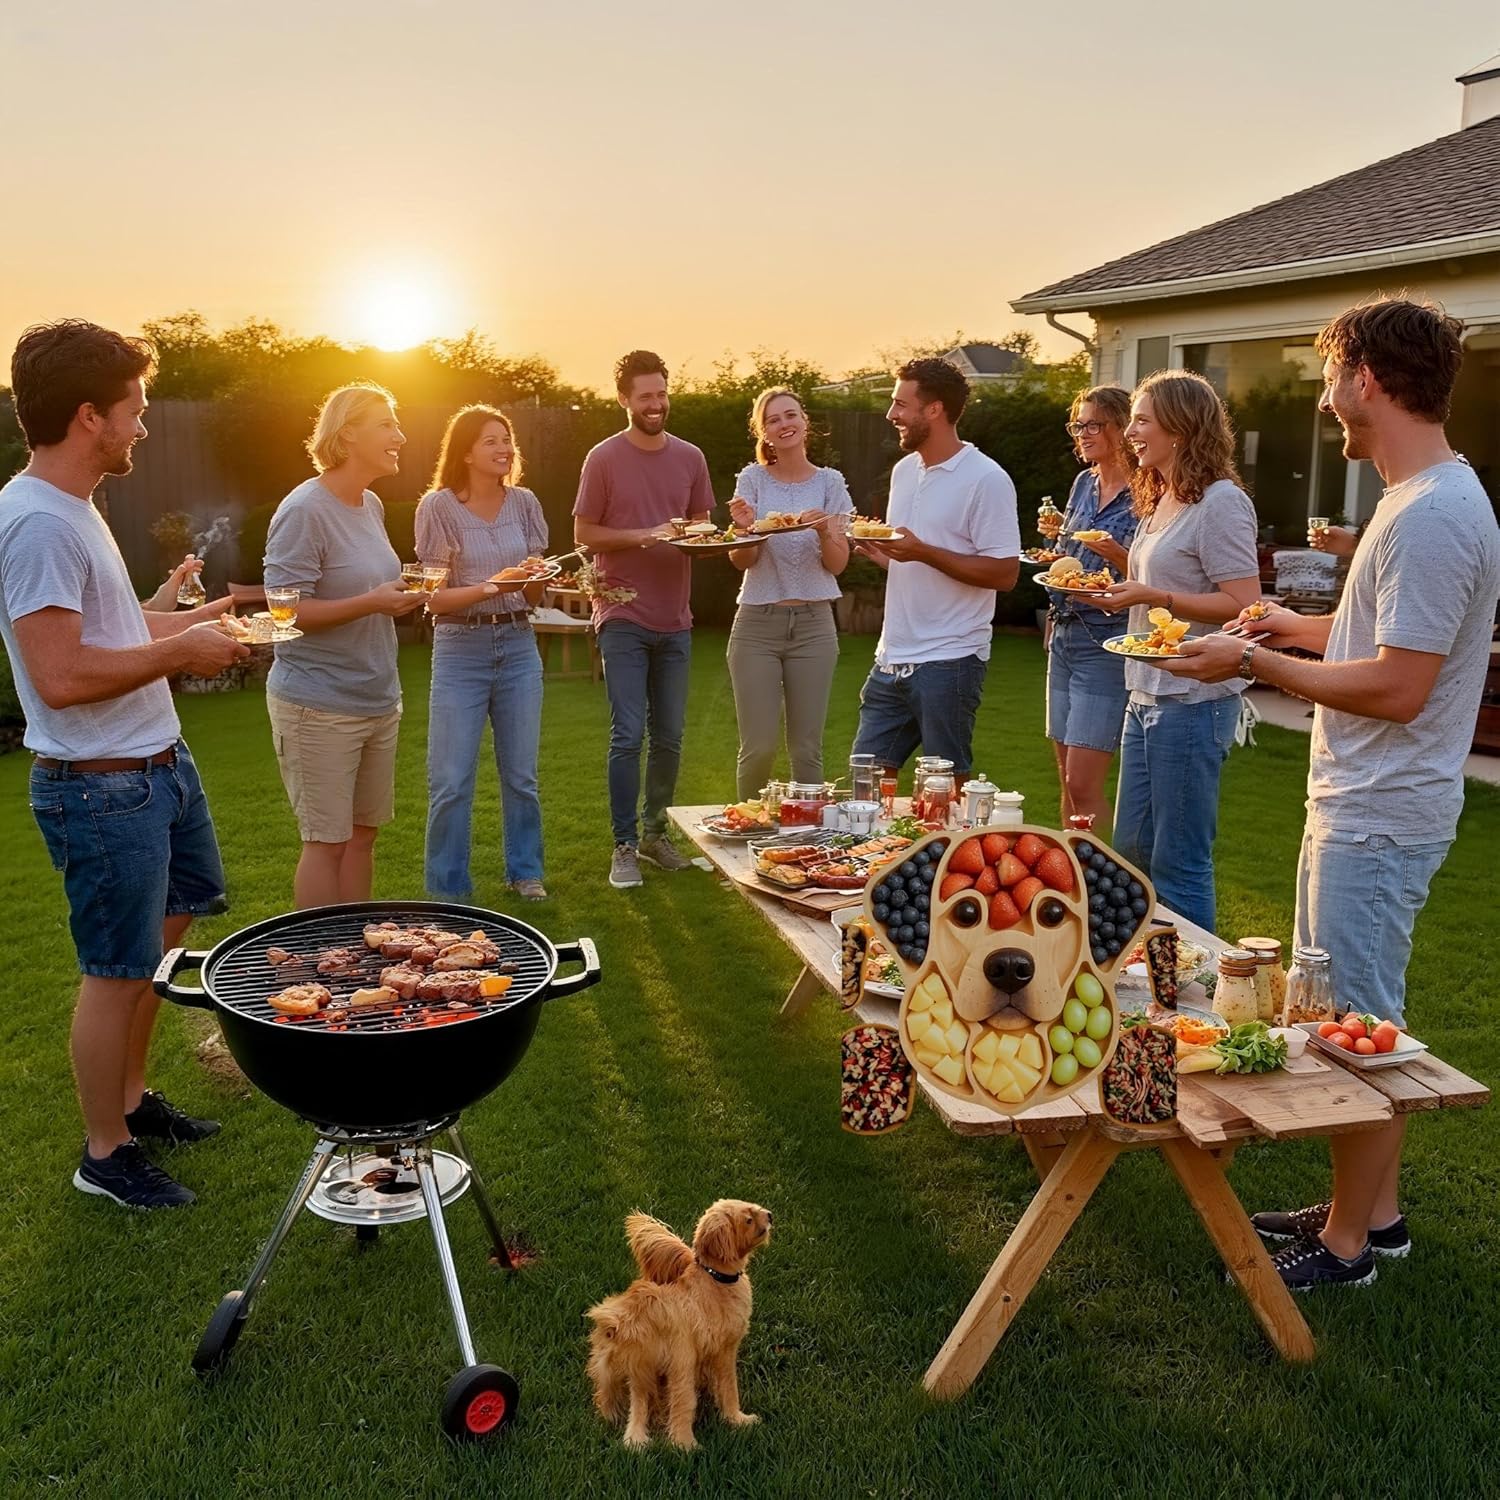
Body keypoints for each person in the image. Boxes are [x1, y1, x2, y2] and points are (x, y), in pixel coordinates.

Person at [1162, 297, 1500, 1290]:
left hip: (1382, 811)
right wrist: (1287, 627)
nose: (1321, 401)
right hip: (1361, 800)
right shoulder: (1416, 498)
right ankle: (1376, 1218)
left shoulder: (1433, 515)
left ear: (1367, 379)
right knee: (1340, 1012)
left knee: (1360, 1026)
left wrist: (1251, 664)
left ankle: (1348, 1249)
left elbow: (1399, 686)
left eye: (1328, 379)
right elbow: (1382, 641)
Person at [0, 320, 249, 1210]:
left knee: (161, 945)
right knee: (116, 970)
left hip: (158, 768)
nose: (142, 425)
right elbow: (61, 676)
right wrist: (183, 654)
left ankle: (134, 1101)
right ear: (88, 416)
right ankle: (105, 1154)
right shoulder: (36, 523)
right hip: (101, 788)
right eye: (135, 409)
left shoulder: (76, 507)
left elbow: (112, 631)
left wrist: (194, 620)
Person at [1095, 371, 1261, 931]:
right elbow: (1156, 585)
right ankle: (1143, 965)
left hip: (1194, 699)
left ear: (1181, 429)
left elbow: (1244, 604)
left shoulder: (1221, 503)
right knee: (1132, 855)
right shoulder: (1162, 496)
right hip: (1145, 690)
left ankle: (1197, 976)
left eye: (1141, 420)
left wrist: (1153, 595)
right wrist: (1122, 592)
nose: (1129, 433)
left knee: (1179, 862)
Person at [262, 382, 426, 907]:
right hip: (318, 704)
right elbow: (285, 613)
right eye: (387, 425)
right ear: (348, 433)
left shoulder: (369, 504)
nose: (400, 436)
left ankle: (355, 946)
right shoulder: (304, 509)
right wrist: (372, 601)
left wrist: (396, 594)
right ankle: (317, 952)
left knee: (362, 837)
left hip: (377, 697)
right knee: (326, 842)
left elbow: (365, 586)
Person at [573, 350, 714, 890]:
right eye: (645, 396)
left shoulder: (691, 457)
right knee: (628, 733)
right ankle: (624, 844)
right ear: (624, 400)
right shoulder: (603, 458)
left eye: (661, 394)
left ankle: (656, 835)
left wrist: (701, 536)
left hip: (675, 617)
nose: (656, 404)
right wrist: (643, 536)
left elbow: (702, 528)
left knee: (670, 736)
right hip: (622, 612)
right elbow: (585, 532)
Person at [850, 357, 1020, 784]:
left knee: (945, 789)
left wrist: (922, 551)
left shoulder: (986, 479)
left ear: (934, 409)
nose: (891, 414)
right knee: (865, 780)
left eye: (900, 404)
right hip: (892, 656)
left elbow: (1004, 574)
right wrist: (877, 552)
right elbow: (911, 560)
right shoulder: (904, 472)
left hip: (951, 658)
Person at [417, 406, 550, 901]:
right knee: (451, 780)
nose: (503, 449)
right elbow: (433, 599)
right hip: (460, 649)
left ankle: (525, 871)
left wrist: (534, 578)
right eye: (491, 441)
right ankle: (448, 887)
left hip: (518, 643)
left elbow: (533, 594)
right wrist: (496, 585)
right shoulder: (438, 507)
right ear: (466, 452)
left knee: (522, 776)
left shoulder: (525, 503)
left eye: (506, 439)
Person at [725, 387, 852, 798]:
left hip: (815, 626)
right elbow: (742, 561)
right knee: (758, 748)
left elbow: (837, 564)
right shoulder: (752, 479)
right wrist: (746, 528)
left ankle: (807, 834)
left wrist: (824, 529)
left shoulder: (831, 483)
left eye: (790, 415)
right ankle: (748, 829)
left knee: (807, 750)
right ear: (763, 432)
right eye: (773, 420)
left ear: (804, 421)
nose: (784, 424)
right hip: (757, 625)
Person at [1043, 385, 1138, 832]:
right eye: (1077, 425)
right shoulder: (1084, 483)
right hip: (1064, 633)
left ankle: (1097, 872)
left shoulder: (1148, 491)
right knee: (1067, 782)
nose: (1082, 433)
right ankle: (1071, 868)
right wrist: (1054, 548)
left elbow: (1154, 574)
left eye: (1093, 425)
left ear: (1123, 427)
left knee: (1083, 782)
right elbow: (1070, 557)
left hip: (1107, 640)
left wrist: (1116, 553)